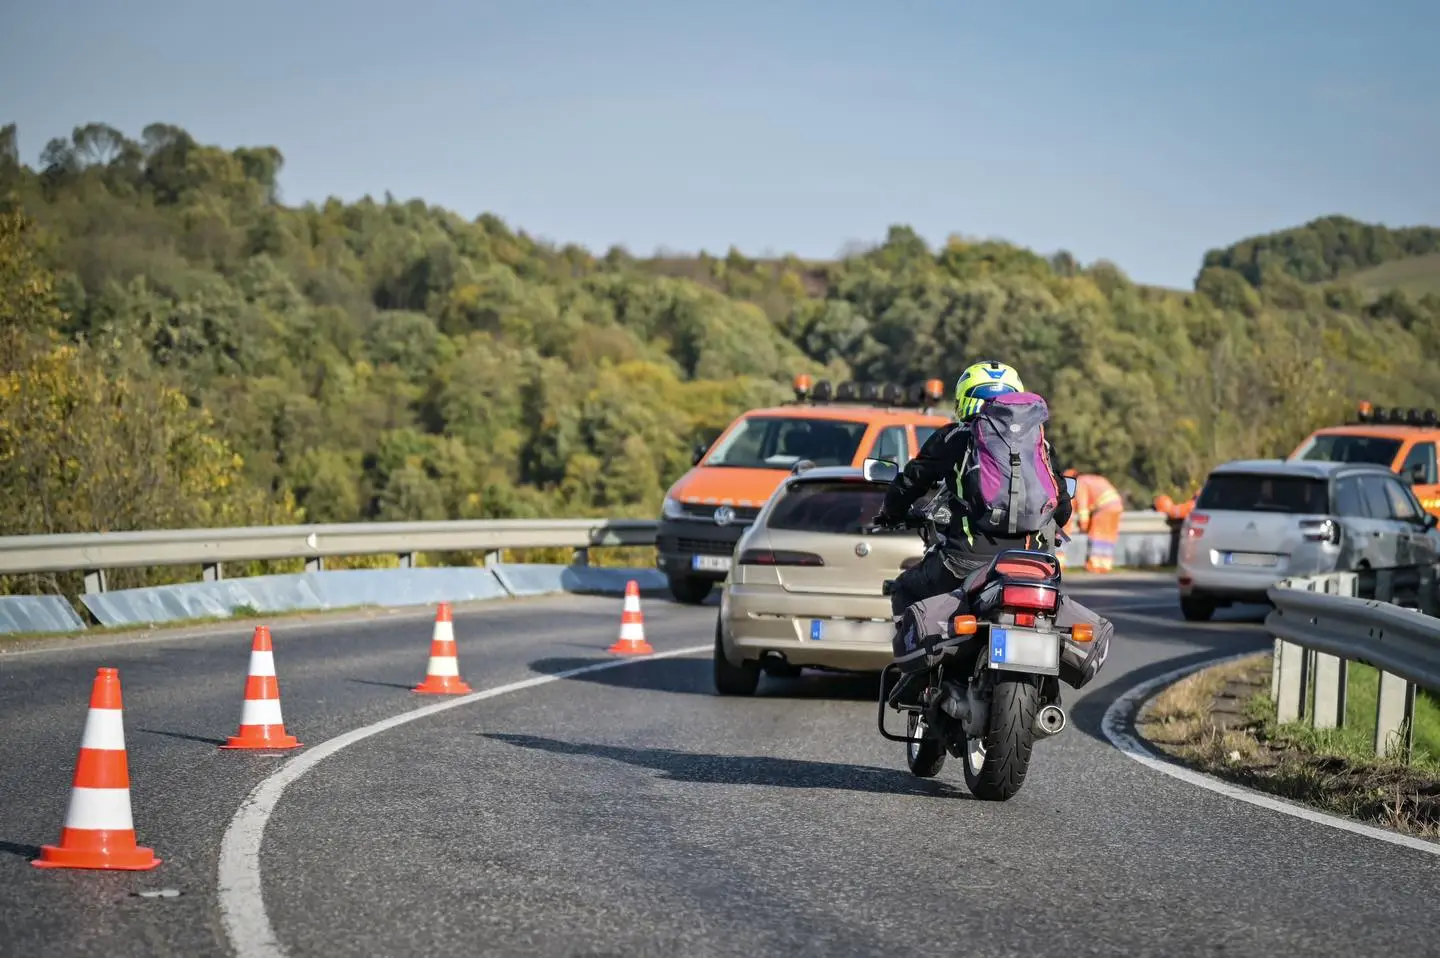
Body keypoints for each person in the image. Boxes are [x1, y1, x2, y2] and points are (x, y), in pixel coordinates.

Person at [873, 360, 1073, 617]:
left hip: (967, 560)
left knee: (905, 589)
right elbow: (1063, 510)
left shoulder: (956, 436)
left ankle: (930, 644)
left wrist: (891, 513)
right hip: (1033, 562)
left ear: (965, 399)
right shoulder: (1039, 445)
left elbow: (911, 482)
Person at [1066, 469, 1124, 572]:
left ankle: (1095, 564)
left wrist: (1083, 524)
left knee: (1097, 535)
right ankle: (1106, 564)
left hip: (1104, 507)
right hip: (1117, 505)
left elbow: (1083, 505)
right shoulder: (1095, 478)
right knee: (1108, 536)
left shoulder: (1080, 482)